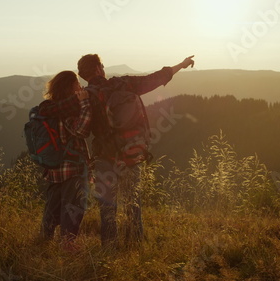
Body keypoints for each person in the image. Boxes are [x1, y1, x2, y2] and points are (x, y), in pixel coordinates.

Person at [77, 54, 195, 248]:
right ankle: (135, 245)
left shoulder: (85, 96)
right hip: (130, 152)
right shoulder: (124, 84)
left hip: (104, 156)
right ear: (99, 68)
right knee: (133, 202)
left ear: (84, 75)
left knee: (107, 205)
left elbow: (83, 130)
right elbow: (155, 79)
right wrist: (181, 65)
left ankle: (109, 249)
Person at [39, 71, 91, 250]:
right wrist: (84, 103)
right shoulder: (66, 111)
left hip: (53, 168)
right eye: (77, 82)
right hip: (72, 168)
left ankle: (43, 244)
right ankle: (68, 246)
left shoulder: (50, 107)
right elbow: (81, 131)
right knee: (73, 207)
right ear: (69, 86)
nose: (79, 85)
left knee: (52, 209)